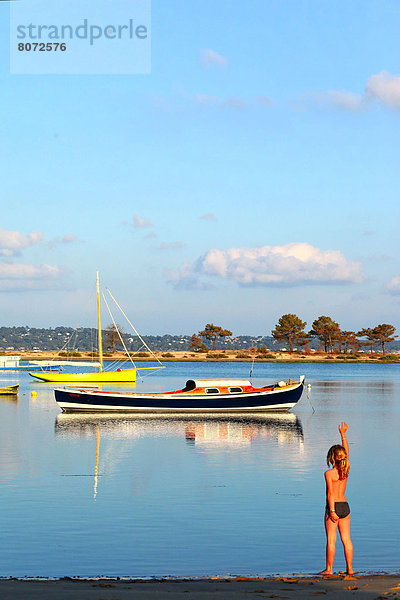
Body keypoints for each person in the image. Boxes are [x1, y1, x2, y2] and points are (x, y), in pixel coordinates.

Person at [320, 421, 354, 575]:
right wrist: (343, 435)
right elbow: (346, 453)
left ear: (332, 458)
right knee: (346, 539)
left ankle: (329, 569)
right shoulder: (345, 470)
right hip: (345, 507)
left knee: (331, 540)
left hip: (334, 507)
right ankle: (350, 568)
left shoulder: (329, 474)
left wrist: (332, 511)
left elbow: (330, 494)